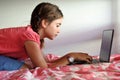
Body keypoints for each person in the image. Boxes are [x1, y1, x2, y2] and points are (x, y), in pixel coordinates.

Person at [0, 2, 92, 71]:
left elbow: (46, 62)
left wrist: (72, 56)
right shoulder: (29, 36)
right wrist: (71, 57)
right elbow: (43, 67)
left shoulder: (33, 37)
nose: (59, 30)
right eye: (57, 25)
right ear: (45, 23)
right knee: (25, 68)